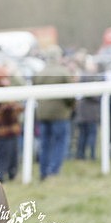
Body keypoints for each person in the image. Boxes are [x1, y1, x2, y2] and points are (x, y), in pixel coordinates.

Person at [33, 45, 75, 180]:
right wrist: (71, 107)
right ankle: (53, 171)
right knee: (60, 143)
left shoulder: (40, 73)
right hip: (60, 115)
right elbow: (70, 95)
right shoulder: (63, 72)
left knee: (45, 144)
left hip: (42, 114)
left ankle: (43, 171)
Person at [0, 65, 23, 182]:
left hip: (11, 129)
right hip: (1, 131)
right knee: (2, 156)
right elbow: (0, 111)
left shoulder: (7, 90)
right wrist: (12, 107)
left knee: (14, 154)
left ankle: (12, 175)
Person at [74, 56, 102, 160]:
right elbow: (93, 95)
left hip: (83, 112)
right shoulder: (91, 77)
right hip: (90, 112)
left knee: (83, 135)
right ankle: (92, 155)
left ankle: (81, 155)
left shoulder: (82, 76)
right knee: (91, 135)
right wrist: (99, 97)